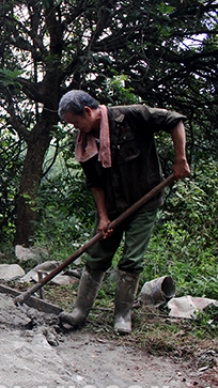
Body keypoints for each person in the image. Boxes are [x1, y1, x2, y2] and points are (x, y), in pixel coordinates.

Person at [57, 90, 190, 334]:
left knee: (131, 260)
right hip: (112, 207)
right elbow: (94, 184)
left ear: (88, 111)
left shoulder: (133, 116)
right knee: (97, 256)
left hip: (144, 202)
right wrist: (103, 217)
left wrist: (180, 159)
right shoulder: (85, 143)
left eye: (75, 122)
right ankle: (79, 312)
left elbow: (175, 120)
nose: (76, 128)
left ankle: (122, 316)